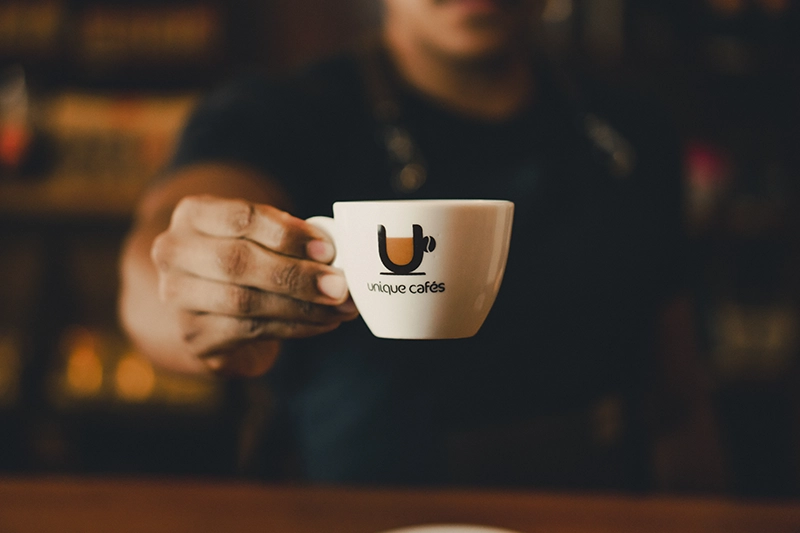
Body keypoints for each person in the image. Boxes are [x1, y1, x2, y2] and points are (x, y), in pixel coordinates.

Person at [119, 0, 726, 490]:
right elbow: (161, 264)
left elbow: (677, 382)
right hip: (352, 511)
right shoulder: (278, 114)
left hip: (590, 508)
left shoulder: (635, 129)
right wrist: (198, 288)